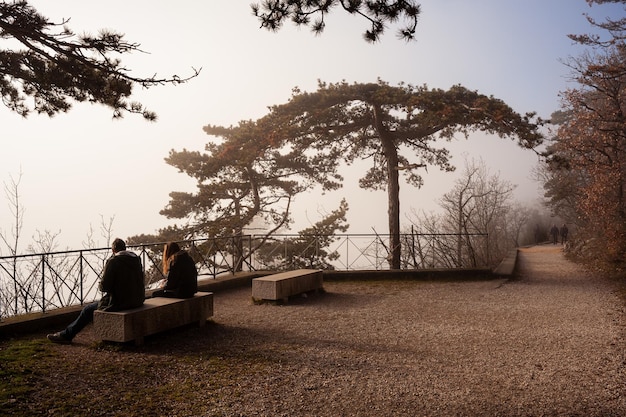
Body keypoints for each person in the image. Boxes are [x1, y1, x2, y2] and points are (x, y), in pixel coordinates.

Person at [47, 238, 145, 344]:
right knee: (92, 308)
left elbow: (104, 287)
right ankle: (66, 334)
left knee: (87, 310)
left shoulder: (113, 262)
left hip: (121, 302)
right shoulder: (136, 259)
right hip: (137, 299)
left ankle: (67, 335)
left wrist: (100, 283)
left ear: (113, 250)